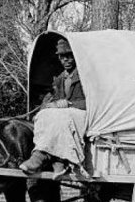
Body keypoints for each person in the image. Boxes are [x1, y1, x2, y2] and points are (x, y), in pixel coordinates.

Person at [19, 38, 87, 175]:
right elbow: (56, 99)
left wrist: (69, 104)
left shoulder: (85, 76)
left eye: (69, 56)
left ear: (75, 56)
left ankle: (51, 158)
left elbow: (93, 101)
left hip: (83, 114)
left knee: (63, 116)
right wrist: (49, 104)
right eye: (63, 57)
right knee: (43, 114)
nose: (66, 60)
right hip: (65, 114)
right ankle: (52, 158)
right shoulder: (61, 78)